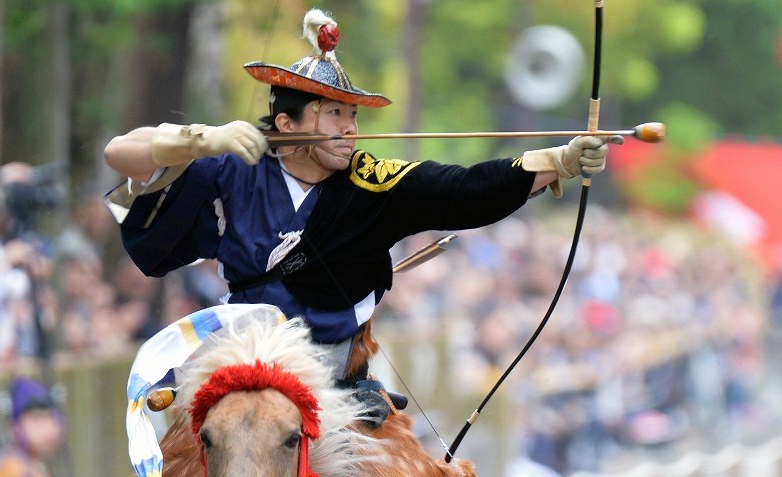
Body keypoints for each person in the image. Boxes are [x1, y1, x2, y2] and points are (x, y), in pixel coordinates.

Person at [102, 9, 618, 385]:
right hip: (243, 363)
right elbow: (119, 152)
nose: (350, 130)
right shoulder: (233, 167)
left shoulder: (373, 183)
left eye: (353, 117)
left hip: (335, 375)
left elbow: (463, 190)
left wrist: (558, 160)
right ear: (287, 124)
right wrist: (199, 140)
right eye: (334, 115)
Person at [0, 377, 64, 477]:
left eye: (50, 417)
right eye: (36, 419)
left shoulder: (35, 464)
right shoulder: (11, 468)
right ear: (14, 426)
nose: (48, 428)